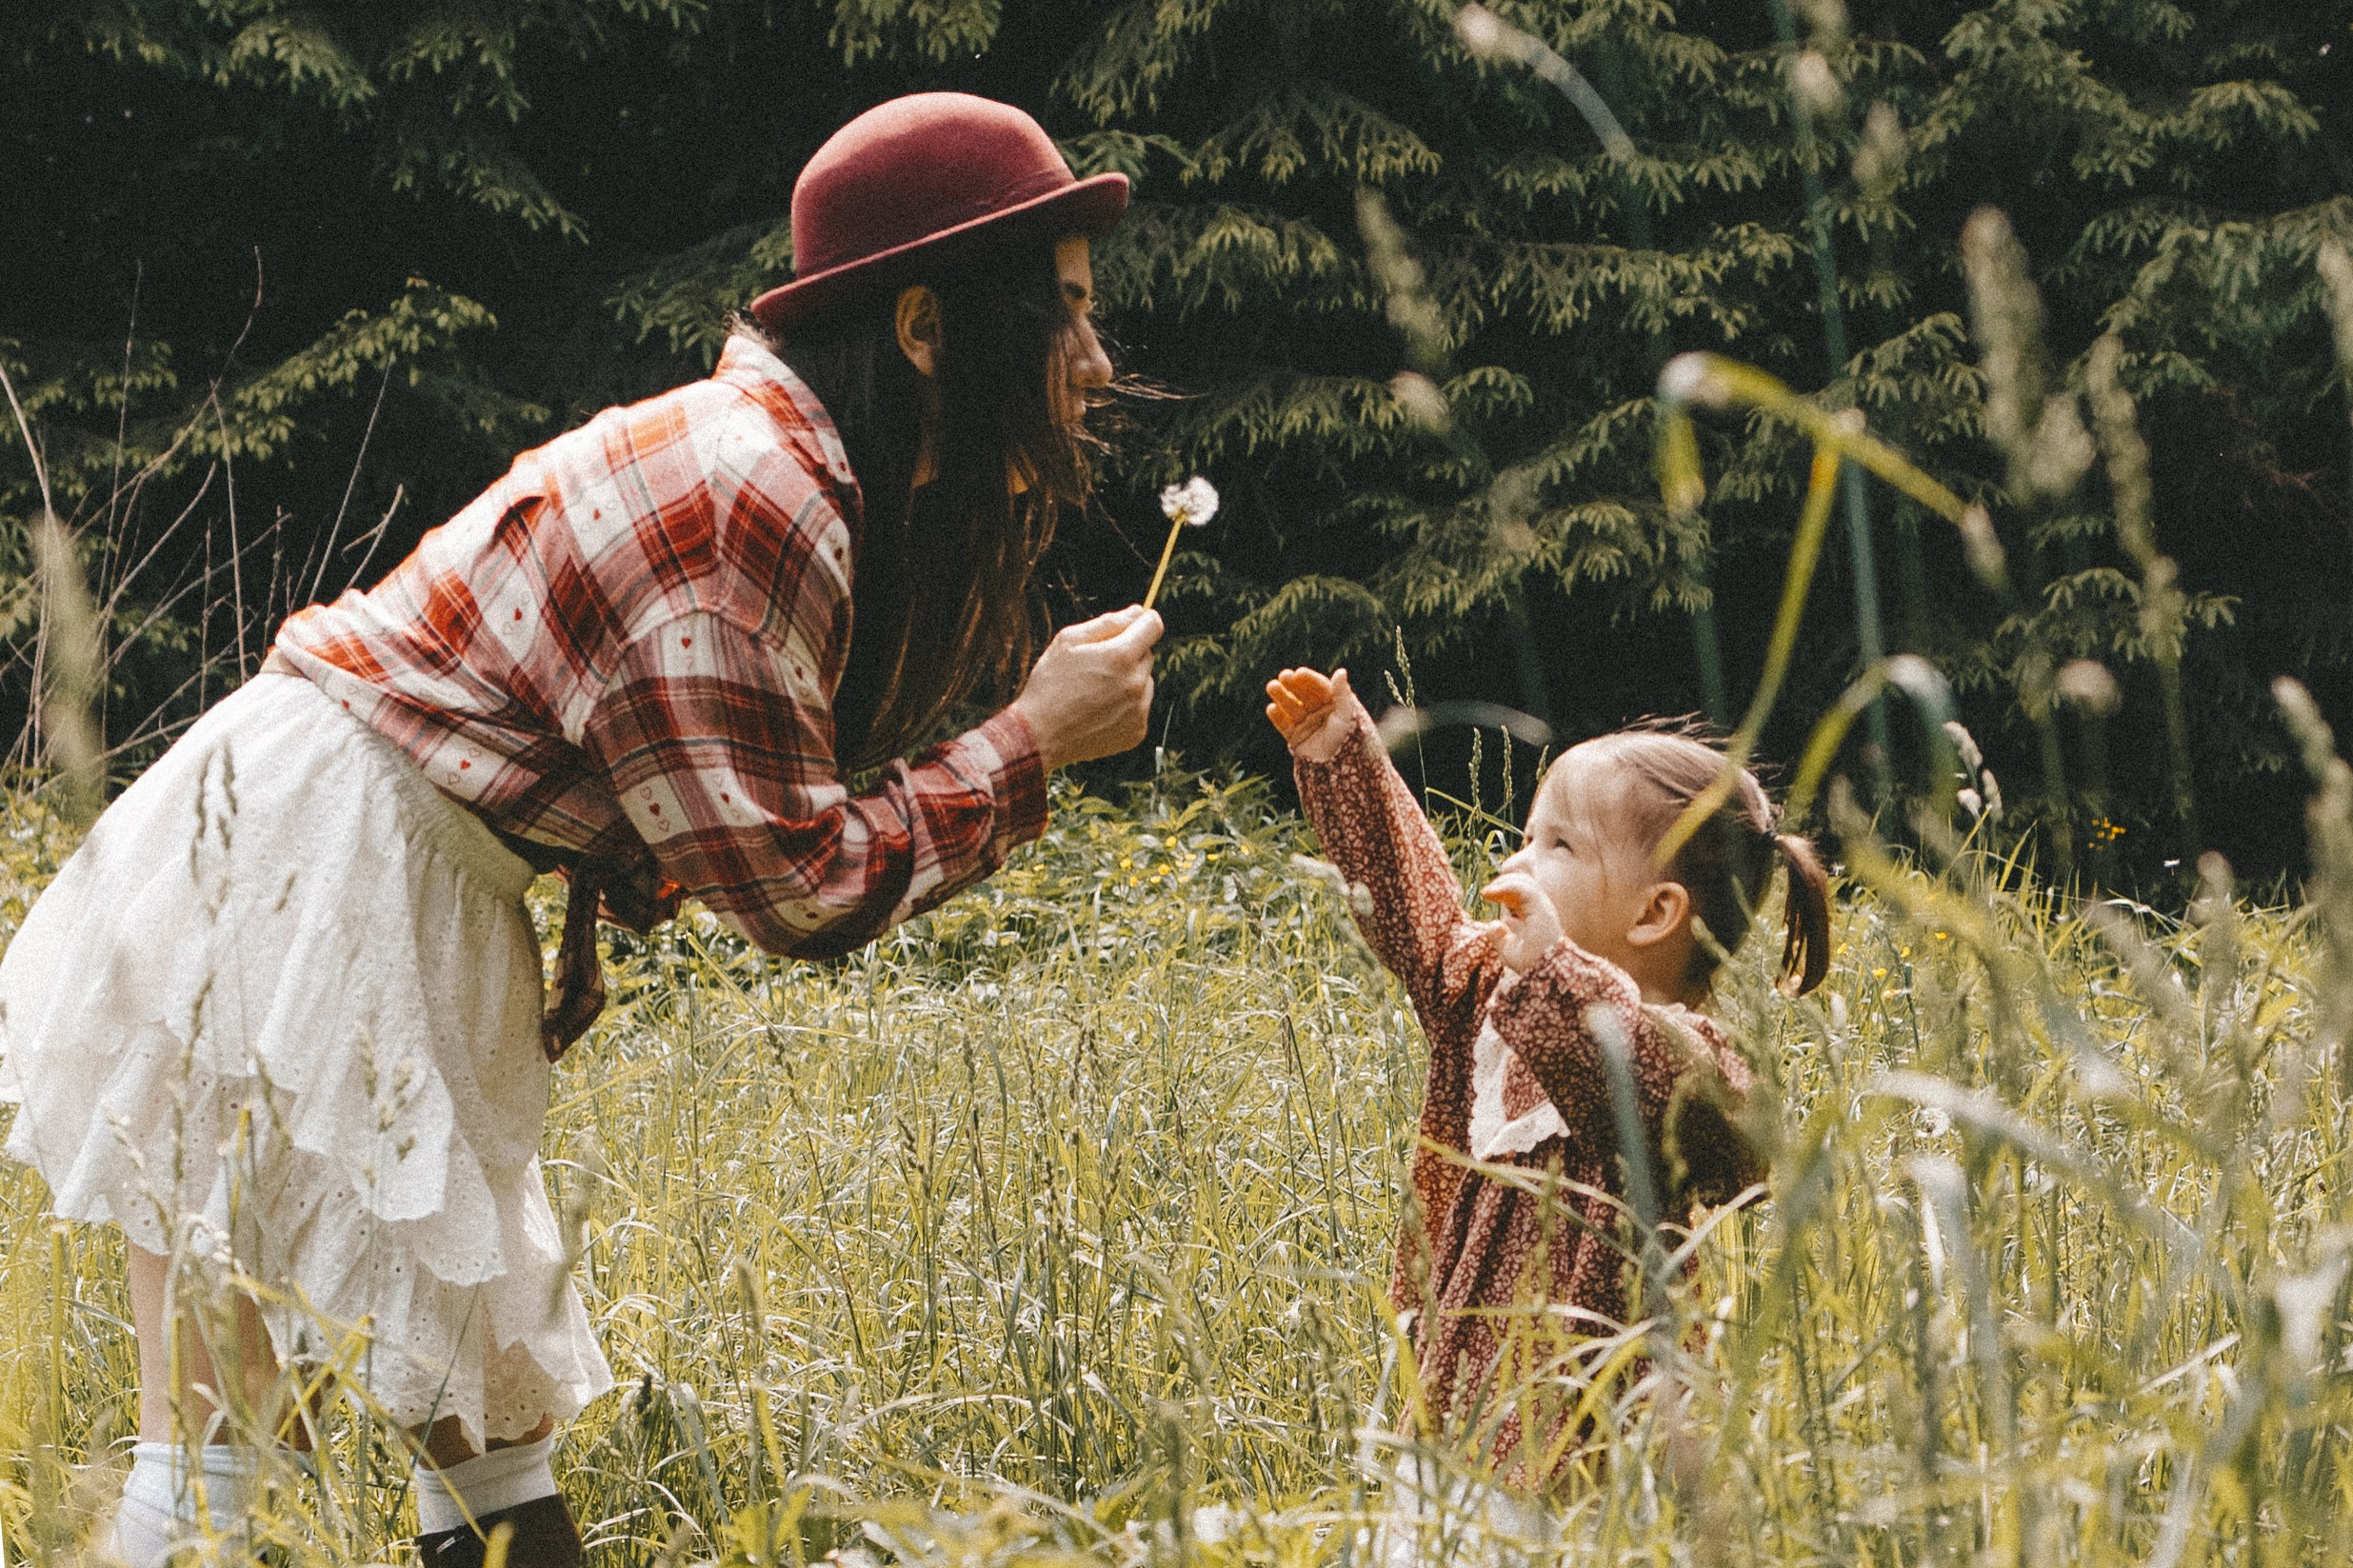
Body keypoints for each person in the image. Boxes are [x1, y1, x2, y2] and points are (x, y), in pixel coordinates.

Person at [0, 92, 1160, 1567]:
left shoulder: (776, 465)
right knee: (225, 1465)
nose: (1095, 361)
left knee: (480, 1416)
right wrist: (1032, 739)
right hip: (325, 863)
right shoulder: (749, 498)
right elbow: (796, 889)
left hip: (378, 849)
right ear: (926, 330)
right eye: (1063, 313)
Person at [1264, 667, 1828, 1484]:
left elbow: (1731, 1145)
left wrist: (1560, 976)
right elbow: (1418, 913)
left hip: (1585, 1449)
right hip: (1453, 1411)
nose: (1518, 858)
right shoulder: (1489, 998)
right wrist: (1346, 760)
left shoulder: (1685, 1057)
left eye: (1557, 845)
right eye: (1527, 835)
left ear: (1653, 912)